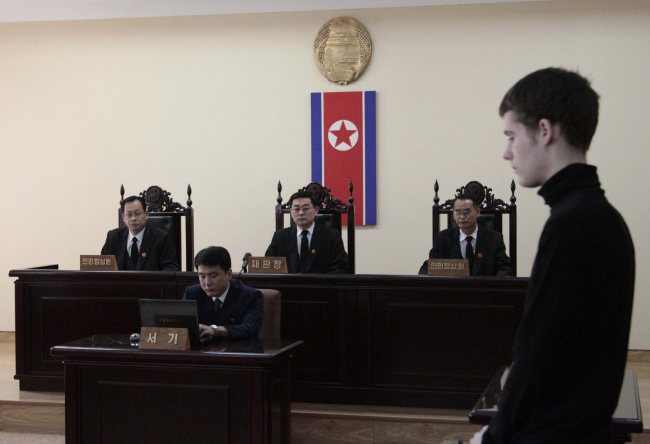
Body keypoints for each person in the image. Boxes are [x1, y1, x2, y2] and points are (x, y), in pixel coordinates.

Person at [471, 68, 635, 444]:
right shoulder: (599, 214)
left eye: (512, 135)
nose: (507, 151)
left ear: (544, 131)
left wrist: (494, 436)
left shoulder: (572, 223)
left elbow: (536, 355)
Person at [418, 194, 513, 277]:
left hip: (485, 293)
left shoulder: (494, 239)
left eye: (466, 212)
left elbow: (504, 266)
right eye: (458, 212)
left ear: (477, 212)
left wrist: (503, 278)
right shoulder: (443, 238)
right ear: (453, 215)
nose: (462, 217)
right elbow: (431, 265)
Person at [183, 246, 263, 340]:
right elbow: (180, 324)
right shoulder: (192, 293)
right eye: (202, 276)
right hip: (202, 351)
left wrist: (216, 330)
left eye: (213, 276)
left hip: (237, 350)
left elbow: (250, 328)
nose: (207, 283)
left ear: (229, 274)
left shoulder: (250, 296)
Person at [265, 191, 349, 274]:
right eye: (296, 209)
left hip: (321, 286)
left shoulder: (332, 236)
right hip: (287, 286)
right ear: (291, 212)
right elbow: (268, 266)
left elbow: (341, 267)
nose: (301, 213)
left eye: (305, 208)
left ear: (316, 210)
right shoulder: (280, 237)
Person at [101, 195, 179, 271]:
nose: (133, 218)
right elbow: (102, 267)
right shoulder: (113, 237)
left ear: (146, 214)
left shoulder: (161, 238)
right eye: (129, 215)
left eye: (137, 214)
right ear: (123, 217)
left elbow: (170, 268)